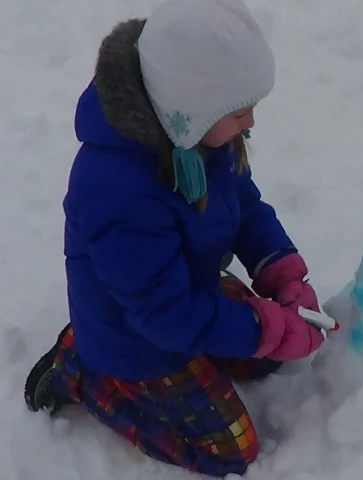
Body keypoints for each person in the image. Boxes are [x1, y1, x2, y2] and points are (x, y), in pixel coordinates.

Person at [22, 0, 326, 476]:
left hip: (179, 290)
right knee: (232, 450)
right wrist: (265, 329)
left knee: (263, 358)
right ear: (191, 110)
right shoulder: (118, 192)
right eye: (239, 111)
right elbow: (168, 318)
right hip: (137, 336)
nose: (250, 122)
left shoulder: (197, 137)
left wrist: (281, 270)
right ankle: (83, 372)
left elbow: (242, 204)